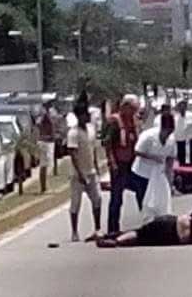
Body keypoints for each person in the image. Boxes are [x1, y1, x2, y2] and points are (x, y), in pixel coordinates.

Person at [101, 94, 141, 235]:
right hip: (119, 164)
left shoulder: (134, 121)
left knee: (142, 190)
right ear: (124, 107)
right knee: (116, 197)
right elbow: (107, 144)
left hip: (132, 164)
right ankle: (113, 228)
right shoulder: (115, 121)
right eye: (133, 109)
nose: (134, 112)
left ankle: (147, 223)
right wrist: (112, 162)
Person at [66, 102, 102, 242]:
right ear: (78, 116)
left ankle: (97, 229)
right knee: (76, 203)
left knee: (97, 199)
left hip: (91, 172)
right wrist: (80, 174)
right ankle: (74, 232)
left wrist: (97, 168)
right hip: (77, 174)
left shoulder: (91, 129)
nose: (87, 117)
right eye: (84, 114)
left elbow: (93, 149)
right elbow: (73, 154)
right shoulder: (73, 133)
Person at [95, 209, 192, 247]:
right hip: (171, 235)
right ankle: (115, 240)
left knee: (140, 232)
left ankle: (109, 237)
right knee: (140, 237)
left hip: (169, 222)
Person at [131, 113, 177, 209]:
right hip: (143, 173)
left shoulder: (171, 139)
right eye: (167, 131)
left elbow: (170, 159)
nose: (168, 134)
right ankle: (145, 218)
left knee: (159, 200)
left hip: (158, 173)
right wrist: (152, 157)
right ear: (162, 128)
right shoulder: (148, 136)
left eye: (171, 132)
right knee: (144, 201)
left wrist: (170, 178)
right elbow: (137, 151)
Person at [36, 100, 59, 194]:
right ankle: (44, 187)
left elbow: (54, 123)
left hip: (49, 141)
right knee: (45, 165)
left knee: (49, 165)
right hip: (44, 142)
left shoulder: (51, 112)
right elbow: (38, 123)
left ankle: (47, 186)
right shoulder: (42, 114)